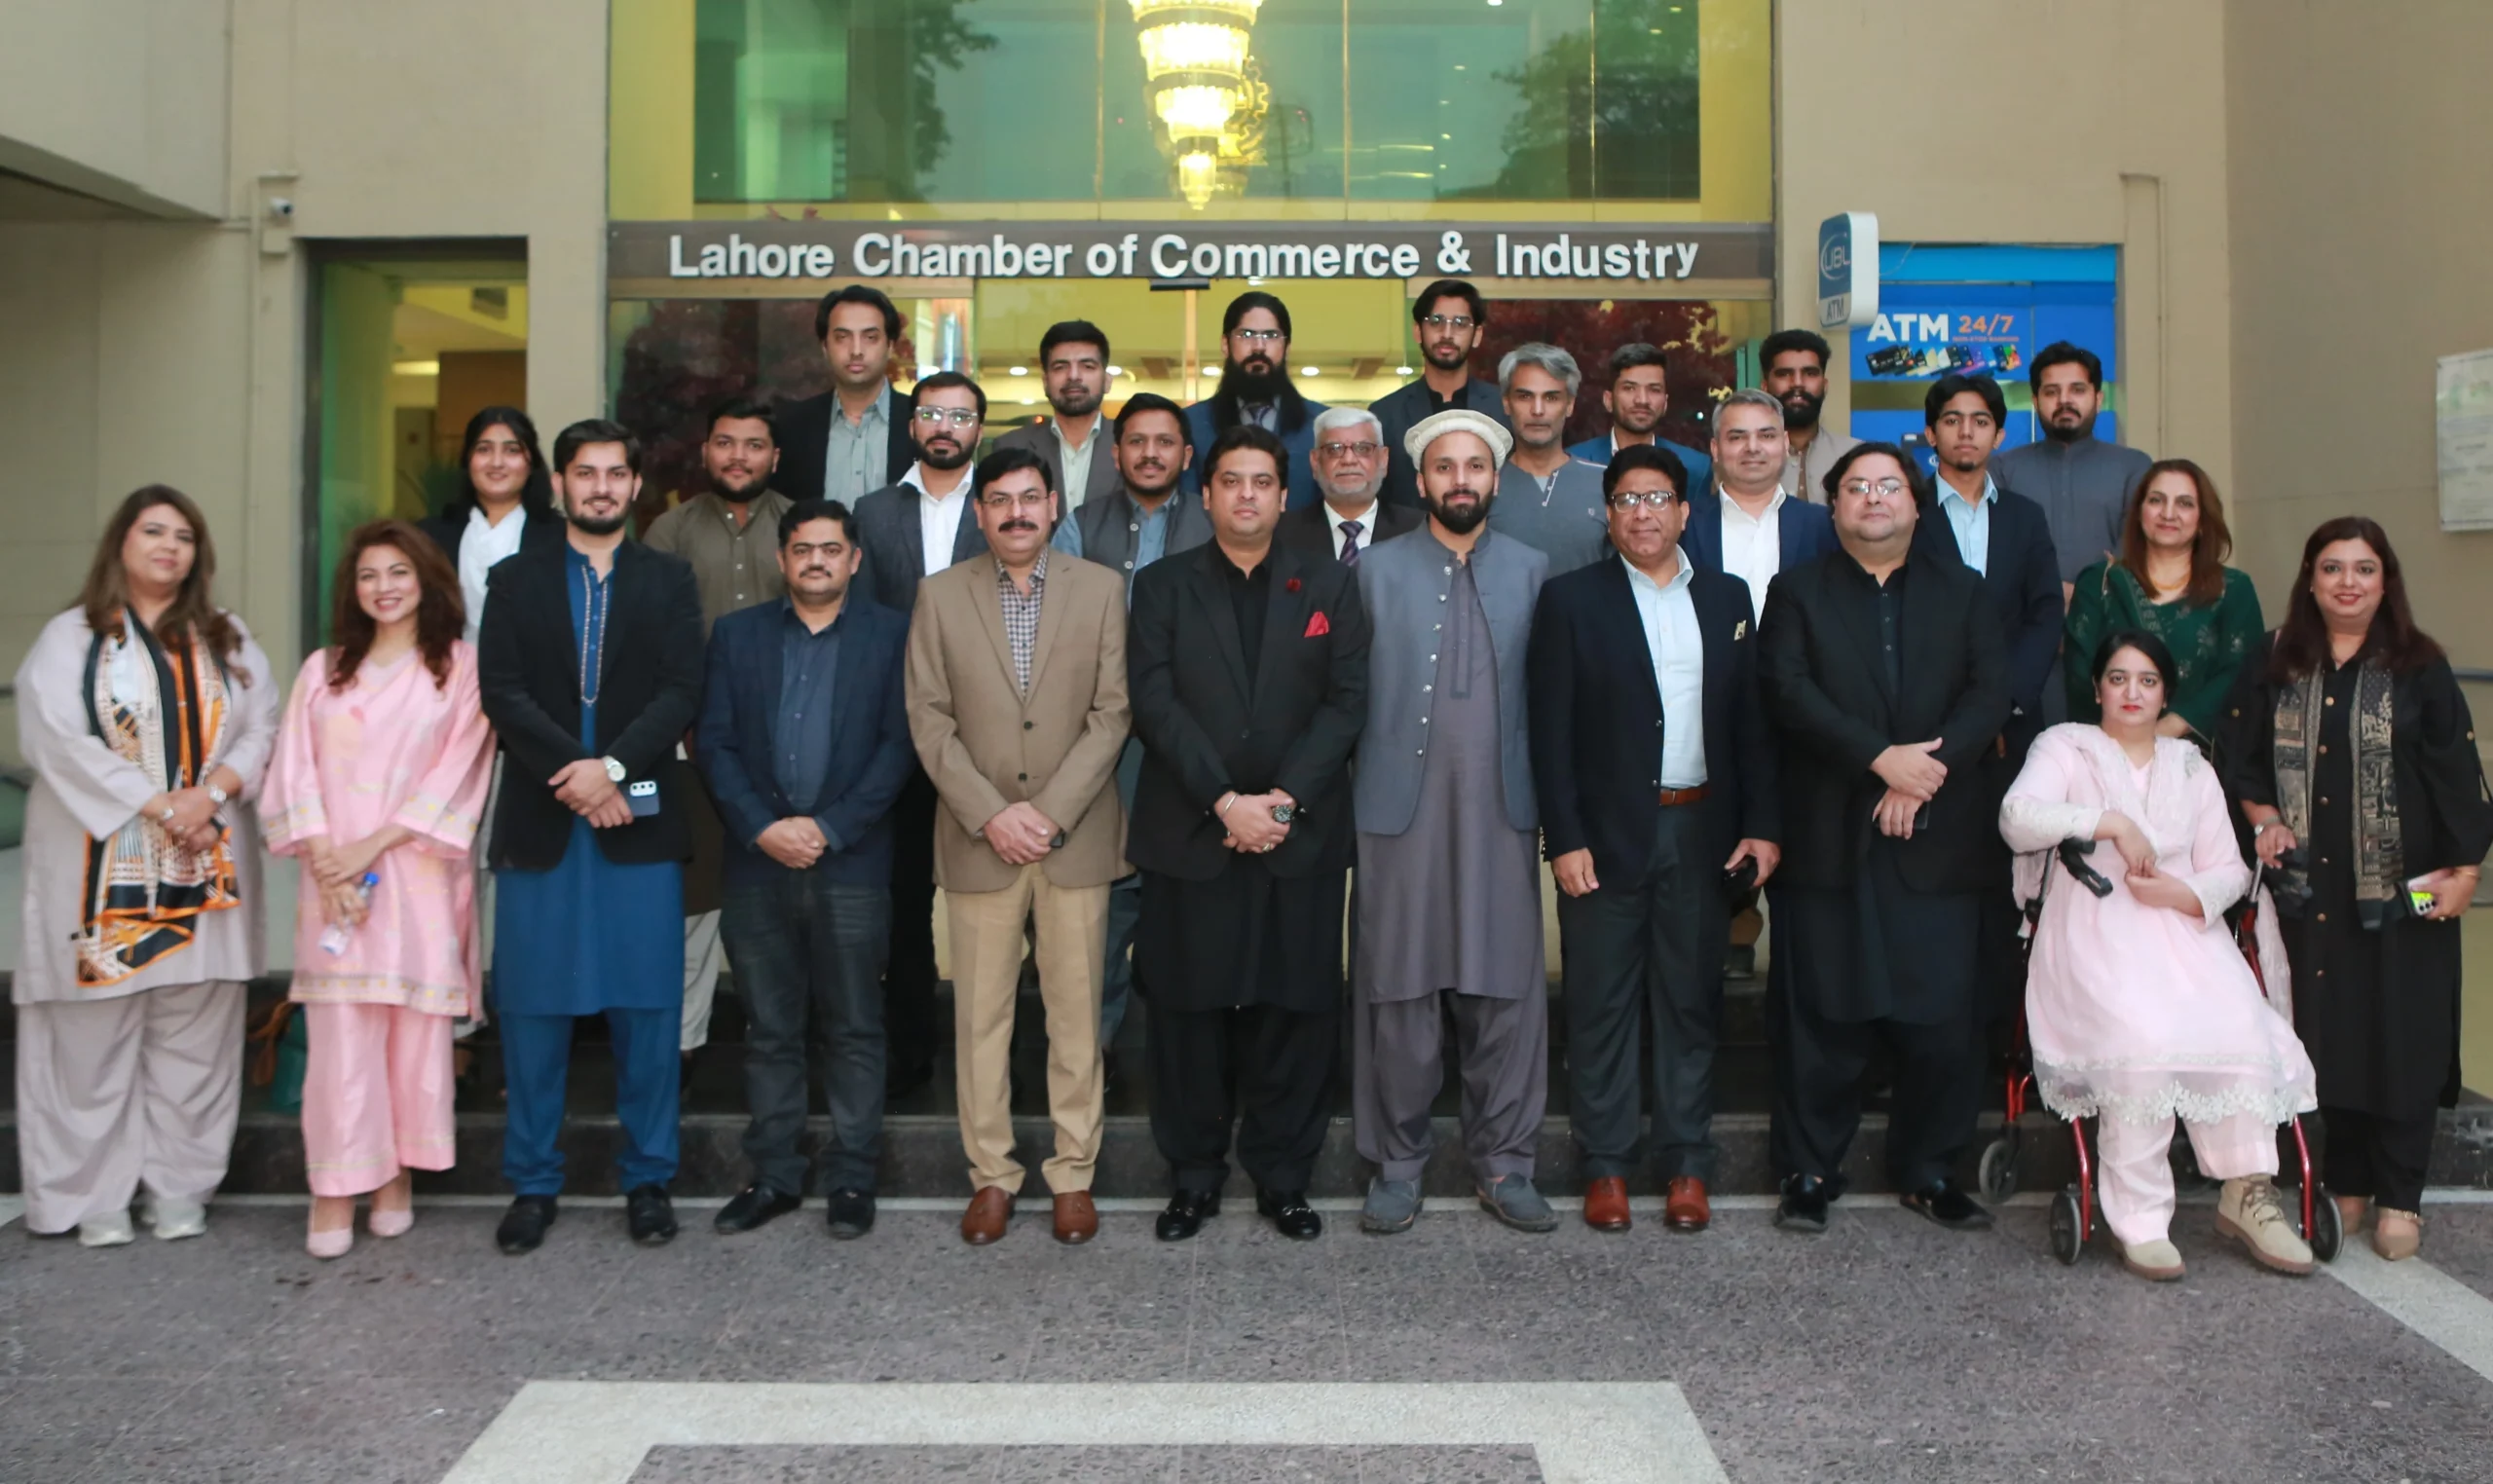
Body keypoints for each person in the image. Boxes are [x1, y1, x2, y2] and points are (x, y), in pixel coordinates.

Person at [2002, 632, 2319, 1281]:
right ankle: (2140, 1218)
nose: (2132, 692)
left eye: (2147, 681)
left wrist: (2181, 893)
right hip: (2093, 931)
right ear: (2097, 688)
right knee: (2140, 1041)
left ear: (2165, 694)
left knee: (2242, 1029)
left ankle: (2247, 1192)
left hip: (2184, 932)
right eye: (2118, 678)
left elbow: (2228, 869)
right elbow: (2017, 816)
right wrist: (2111, 823)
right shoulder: (2065, 747)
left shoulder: (2190, 766)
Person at [13, 486, 279, 1247]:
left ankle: (180, 1188)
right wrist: (163, 806)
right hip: (100, 875)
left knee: (196, 1039)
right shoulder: (72, 638)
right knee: (88, 1042)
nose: (170, 546)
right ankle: (89, 1197)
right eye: (153, 531)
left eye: (184, 536)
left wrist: (211, 795)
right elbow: (57, 739)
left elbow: (262, 726)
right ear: (120, 544)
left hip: (205, 869)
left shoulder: (225, 636)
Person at [2221, 517, 2493, 1261]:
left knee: (2405, 1035)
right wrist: (2265, 818)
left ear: (2385, 581)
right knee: (2330, 1035)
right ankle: (2347, 1179)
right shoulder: (2275, 659)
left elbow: (2457, 775)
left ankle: (2401, 1194)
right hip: (2310, 893)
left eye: (2364, 569)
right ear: (2310, 580)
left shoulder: (2419, 666)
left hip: (2409, 892)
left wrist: (2466, 872)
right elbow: (2240, 757)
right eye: (2333, 568)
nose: (2348, 582)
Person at [1127, 425, 1371, 1243]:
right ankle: (1193, 1179)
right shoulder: (1161, 586)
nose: (1246, 495)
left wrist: (1282, 802)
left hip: (1298, 837)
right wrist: (1225, 801)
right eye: (1231, 481)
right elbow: (1154, 703)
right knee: (1187, 1015)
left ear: (1283, 494)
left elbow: (1347, 701)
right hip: (1191, 834)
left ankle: (1284, 1178)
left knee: (1295, 1013)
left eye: (1262, 482)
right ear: (1205, 494)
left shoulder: (1329, 584)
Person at [1759, 443, 2009, 1236]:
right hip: (1830, 837)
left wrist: (1921, 774)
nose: (1873, 497)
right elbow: (1787, 691)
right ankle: (1808, 1171)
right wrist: (1879, 759)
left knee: (1942, 1021)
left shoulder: (1966, 592)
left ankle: (1930, 1170)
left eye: (1889, 486)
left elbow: (1991, 693)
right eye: (1857, 487)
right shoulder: (1795, 592)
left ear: (1916, 504)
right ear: (1833, 507)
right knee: (1821, 1019)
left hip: (1941, 839)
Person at [1528, 444, 1778, 1235]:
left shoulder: (1728, 598)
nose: (1643, 513)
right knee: (1599, 1004)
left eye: (1658, 498)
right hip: (1603, 838)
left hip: (1703, 832)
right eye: (1628, 500)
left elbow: (1751, 723)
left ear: (1684, 511)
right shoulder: (1571, 600)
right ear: (1608, 516)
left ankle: (1686, 1164)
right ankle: (1604, 1165)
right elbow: (1550, 731)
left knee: (1690, 1001)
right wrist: (1564, 837)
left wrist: (1761, 825)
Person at [477, 419, 705, 1255]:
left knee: (648, 1011)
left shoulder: (669, 580)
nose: (601, 487)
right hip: (544, 821)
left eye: (615, 473)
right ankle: (533, 1183)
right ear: (560, 484)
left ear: (636, 486)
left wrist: (609, 769)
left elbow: (681, 689)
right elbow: (501, 692)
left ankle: (649, 1179)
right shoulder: (514, 580)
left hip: (636, 820)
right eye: (585, 473)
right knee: (532, 1010)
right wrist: (576, 774)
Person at [905, 447, 1130, 1247]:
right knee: (981, 1022)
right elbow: (928, 718)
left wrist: (1050, 813)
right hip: (981, 842)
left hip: (1075, 840)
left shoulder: (1100, 589)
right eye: (999, 501)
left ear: (1053, 505)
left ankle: (1073, 1174)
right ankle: (992, 1177)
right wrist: (993, 814)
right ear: (979, 513)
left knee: (1076, 1018)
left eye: (1030, 498)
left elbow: (1112, 713)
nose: (1016, 514)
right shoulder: (938, 596)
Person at [261, 521, 494, 1258]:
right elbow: (293, 768)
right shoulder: (324, 669)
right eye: (368, 575)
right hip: (331, 879)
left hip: (416, 873)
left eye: (398, 572)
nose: (383, 587)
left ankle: (395, 1177)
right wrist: (328, 861)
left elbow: (458, 771)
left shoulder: (458, 667)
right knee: (338, 1041)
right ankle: (334, 1187)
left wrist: (370, 846)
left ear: (425, 580)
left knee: (412, 1037)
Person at [1354, 409, 1555, 1236]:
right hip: (1396, 815)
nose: (1460, 480)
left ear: (1496, 479)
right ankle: (1396, 1166)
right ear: (1420, 479)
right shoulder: (1370, 572)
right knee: (1397, 989)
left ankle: (1506, 1163)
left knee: (1505, 989)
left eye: (1475, 466)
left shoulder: (1537, 570)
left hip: (1502, 811)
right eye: (1445, 467)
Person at [697, 499, 915, 1240]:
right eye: (801, 549)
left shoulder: (893, 635)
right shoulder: (737, 635)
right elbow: (715, 743)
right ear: (781, 560)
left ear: (854, 559)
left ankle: (853, 1176)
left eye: (830, 549)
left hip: (851, 861)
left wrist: (829, 828)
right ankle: (775, 1176)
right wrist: (762, 828)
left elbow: (900, 746)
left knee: (855, 1026)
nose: (815, 561)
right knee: (769, 1029)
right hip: (757, 863)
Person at [1050, 392, 1213, 1063]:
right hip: (1102, 754)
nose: (1150, 453)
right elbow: (1061, 635)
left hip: (1195, 749)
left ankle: (1185, 1065)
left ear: (1187, 454)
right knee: (1102, 916)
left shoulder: (1216, 520)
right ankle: (1093, 1062)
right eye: (1136, 441)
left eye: (1164, 441)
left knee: (1189, 916)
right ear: (1115, 455)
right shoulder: (1079, 525)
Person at [643, 395, 794, 1075]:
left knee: (780, 909)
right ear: (706, 452)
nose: (738, 456)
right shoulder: (669, 531)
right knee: (695, 904)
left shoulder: (801, 526)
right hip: (689, 747)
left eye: (753, 444)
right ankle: (683, 1050)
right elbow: (644, 636)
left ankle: (782, 1047)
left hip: (787, 749)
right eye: (725, 443)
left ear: (775, 457)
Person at [851, 369, 991, 1101]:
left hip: (990, 741)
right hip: (898, 735)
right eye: (933, 414)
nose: (945, 427)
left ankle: (994, 1058)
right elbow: (862, 627)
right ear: (912, 425)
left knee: (991, 906)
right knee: (903, 904)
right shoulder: (873, 513)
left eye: (961, 416)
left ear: (979, 429)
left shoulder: (1002, 506)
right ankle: (910, 1054)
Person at [1914, 373, 2065, 1035]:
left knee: (2008, 887)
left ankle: (2005, 1038)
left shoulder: (2024, 517)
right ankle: (1936, 1038)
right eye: (1952, 419)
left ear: (1999, 434)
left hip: (2011, 731)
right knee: (1935, 887)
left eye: (1980, 421)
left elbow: (2044, 616)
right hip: (1929, 732)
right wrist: (1961, 718)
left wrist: (2001, 706)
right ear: (1931, 433)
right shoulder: (1907, 511)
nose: (1966, 432)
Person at [2064, 458, 2263, 744]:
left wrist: (2172, 726)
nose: (2168, 514)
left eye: (2185, 503)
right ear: (2139, 512)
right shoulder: (2100, 582)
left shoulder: (2232, 589)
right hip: (2109, 750)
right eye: (2156, 500)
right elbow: (2079, 674)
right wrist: (2122, 742)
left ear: (2203, 520)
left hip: (2201, 756)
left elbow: (2241, 671)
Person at [1991, 341, 2152, 602]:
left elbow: (2139, 550)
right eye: (2051, 392)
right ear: (2035, 402)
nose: (2064, 400)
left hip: (2111, 615)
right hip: (2024, 617)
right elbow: (1996, 553)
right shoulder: (2003, 470)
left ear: (2098, 399)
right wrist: (2054, 595)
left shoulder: (2133, 467)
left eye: (2077, 390)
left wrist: (2086, 598)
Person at [1679, 388, 1840, 624]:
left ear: (1785, 443)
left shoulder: (1824, 525)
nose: (1753, 448)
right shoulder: (1684, 525)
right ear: (1715, 449)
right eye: (1737, 437)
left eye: (1766, 436)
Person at [417, 404, 567, 643]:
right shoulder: (427, 537)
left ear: (531, 462)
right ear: (468, 460)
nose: (497, 462)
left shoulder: (561, 538)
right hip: (446, 665)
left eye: (512, 450)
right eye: (484, 449)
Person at [772, 284, 919, 503]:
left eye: (870, 337)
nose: (856, 351)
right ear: (825, 346)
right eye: (842, 337)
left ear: (890, 346)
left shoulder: (920, 423)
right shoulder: (792, 426)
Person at [1369, 278, 1507, 509]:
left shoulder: (1503, 409)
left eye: (1460, 323)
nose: (1447, 333)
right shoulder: (1385, 414)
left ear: (1477, 335)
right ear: (1417, 331)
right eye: (1436, 322)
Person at [1184, 290, 1327, 507]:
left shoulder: (1321, 425)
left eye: (1271, 336)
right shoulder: (1191, 425)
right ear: (1225, 344)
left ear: (1287, 348)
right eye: (1246, 335)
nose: (1259, 346)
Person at [1486, 343, 1610, 575]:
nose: (1537, 410)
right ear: (1506, 403)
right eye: (1525, 396)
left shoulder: (1606, 481)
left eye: (1551, 398)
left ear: (1570, 405)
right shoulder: (1482, 484)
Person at [993, 319, 1122, 512]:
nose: (1073, 376)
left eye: (1087, 366)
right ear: (1045, 382)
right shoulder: (1011, 446)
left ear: (1107, 381)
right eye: (1060, 367)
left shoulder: (1132, 445)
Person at [1276, 405, 1421, 564]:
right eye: (1334, 449)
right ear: (1315, 462)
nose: (1348, 460)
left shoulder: (1420, 529)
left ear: (1383, 459)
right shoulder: (1281, 533)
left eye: (1363, 449)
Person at [1567, 342, 1715, 494]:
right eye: (1629, 388)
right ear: (1608, 400)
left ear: (1665, 403)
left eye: (1654, 389)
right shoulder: (1573, 463)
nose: (1642, 400)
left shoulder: (1696, 469)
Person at [1759, 329, 1858, 504]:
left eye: (1810, 373)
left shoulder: (1854, 456)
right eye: (1784, 374)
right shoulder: (1745, 457)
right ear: (1765, 387)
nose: (1797, 383)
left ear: (1825, 385)